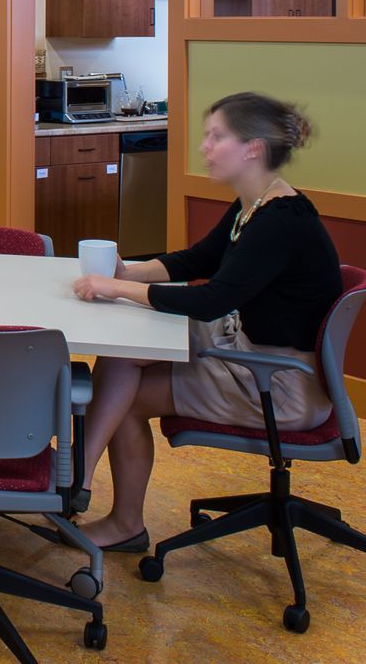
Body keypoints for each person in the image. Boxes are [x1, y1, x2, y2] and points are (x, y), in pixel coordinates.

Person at [67, 92, 343, 553]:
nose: (205, 147)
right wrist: (128, 273)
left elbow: (213, 299)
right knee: (123, 349)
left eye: (217, 137)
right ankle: (77, 475)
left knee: (128, 397)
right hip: (247, 351)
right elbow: (197, 260)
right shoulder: (253, 206)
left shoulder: (279, 222)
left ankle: (113, 514)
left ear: (253, 148)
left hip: (278, 384)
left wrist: (117, 289)